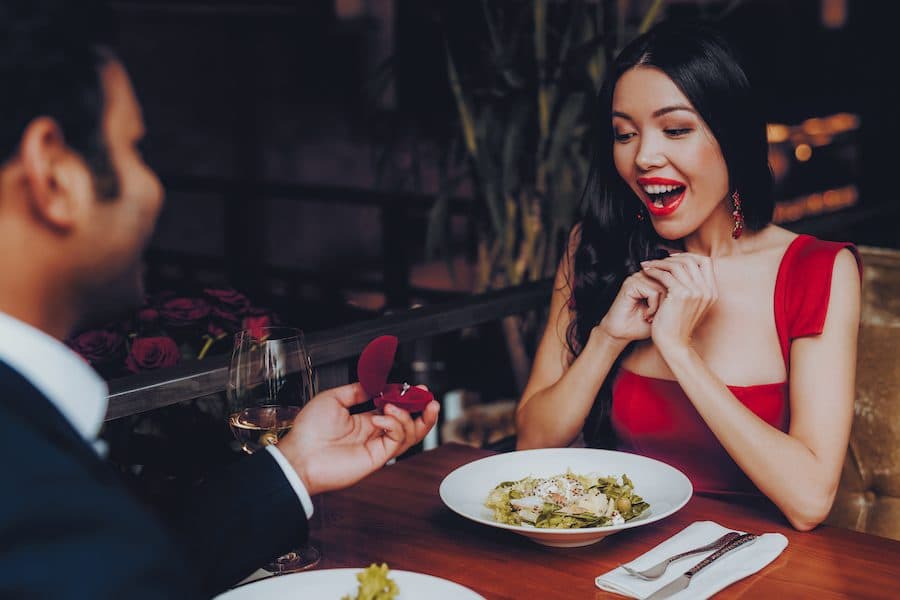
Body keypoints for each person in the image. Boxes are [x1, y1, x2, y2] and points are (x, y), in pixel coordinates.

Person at [0, 1, 439, 597]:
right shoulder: (29, 486)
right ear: (53, 174)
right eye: (134, 149)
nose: (154, 189)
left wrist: (296, 468)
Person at [515, 20, 861, 532]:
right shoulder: (596, 247)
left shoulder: (818, 271)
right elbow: (531, 445)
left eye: (675, 129)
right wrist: (607, 339)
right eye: (624, 134)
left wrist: (681, 351)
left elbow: (809, 501)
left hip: (761, 569)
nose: (644, 157)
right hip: (623, 562)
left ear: (733, 136)